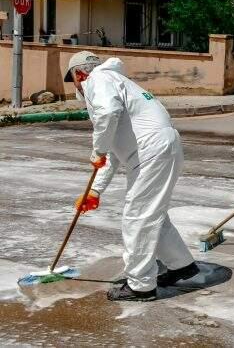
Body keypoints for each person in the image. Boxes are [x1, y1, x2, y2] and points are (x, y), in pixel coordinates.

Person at [65, 51, 198, 302]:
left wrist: (97, 150)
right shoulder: (117, 83)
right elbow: (114, 153)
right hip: (156, 148)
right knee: (151, 214)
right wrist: (94, 191)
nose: (76, 87)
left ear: (80, 74)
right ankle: (181, 264)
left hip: (150, 151)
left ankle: (140, 285)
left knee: (138, 216)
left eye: (73, 80)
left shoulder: (97, 80)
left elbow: (107, 116)